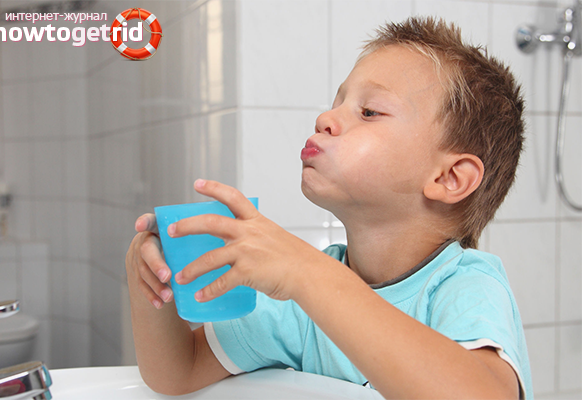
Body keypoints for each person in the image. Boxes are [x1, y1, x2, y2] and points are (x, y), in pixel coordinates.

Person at [125, 16, 533, 399]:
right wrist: (150, 280)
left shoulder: (463, 286)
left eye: (369, 112)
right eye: (336, 103)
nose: (325, 118)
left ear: (449, 178)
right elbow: (180, 371)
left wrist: (306, 272)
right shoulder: (299, 303)